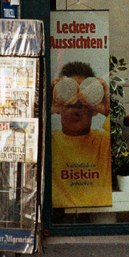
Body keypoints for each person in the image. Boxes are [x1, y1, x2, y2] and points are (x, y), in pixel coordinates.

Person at [49, 60, 111, 208]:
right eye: (70, 103)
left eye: (84, 102)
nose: (77, 107)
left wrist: (105, 106)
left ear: (94, 109)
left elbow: (117, 132)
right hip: (59, 211)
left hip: (98, 209)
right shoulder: (48, 140)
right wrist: (50, 106)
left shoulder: (105, 141)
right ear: (59, 108)